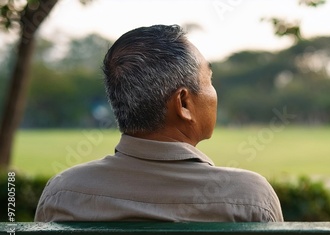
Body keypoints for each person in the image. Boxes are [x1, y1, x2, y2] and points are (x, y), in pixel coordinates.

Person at [35, 24, 283, 222]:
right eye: (209, 80)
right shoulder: (249, 197)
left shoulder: (63, 194)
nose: (213, 92)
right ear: (183, 103)